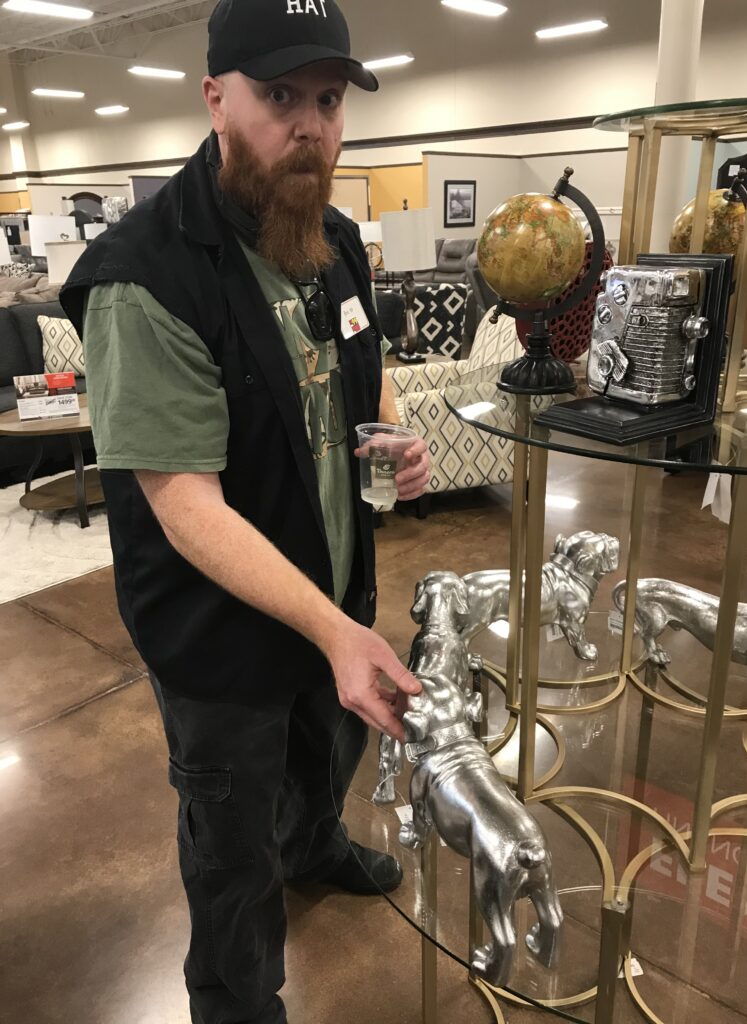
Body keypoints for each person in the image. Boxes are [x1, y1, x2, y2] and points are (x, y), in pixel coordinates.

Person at [60, 2, 430, 1021]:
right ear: (216, 99)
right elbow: (186, 507)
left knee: (322, 757)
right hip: (221, 635)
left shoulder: (332, 238)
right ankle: (234, 997)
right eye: (279, 96)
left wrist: (395, 435)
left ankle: (317, 846)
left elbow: (367, 369)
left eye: (329, 100)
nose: (311, 125)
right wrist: (336, 633)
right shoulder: (147, 274)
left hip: (329, 596)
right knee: (232, 848)